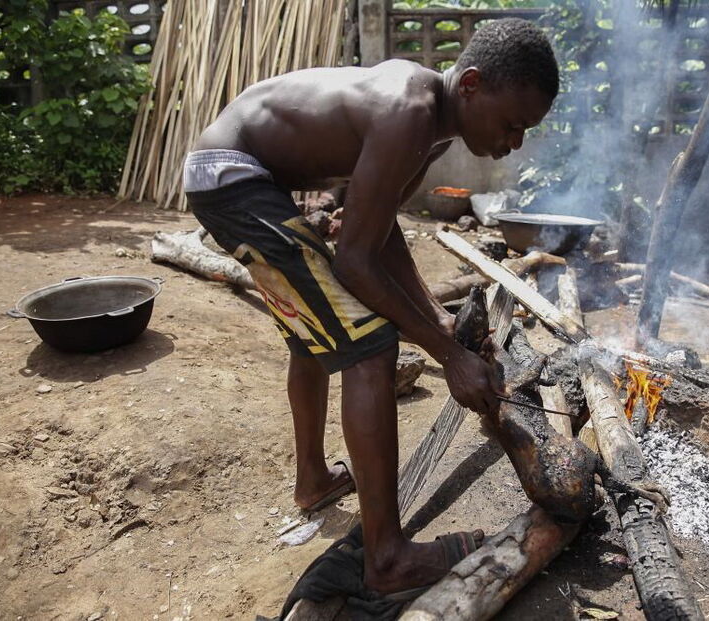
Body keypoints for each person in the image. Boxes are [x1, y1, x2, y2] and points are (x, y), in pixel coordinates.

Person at [183, 17, 559, 597]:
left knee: (317, 329)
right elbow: (355, 262)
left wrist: (436, 318)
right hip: (231, 176)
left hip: (239, 176)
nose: (514, 143)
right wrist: (447, 354)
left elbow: (380, 233)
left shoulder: (432, 127)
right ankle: (387, 558)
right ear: (471, 84)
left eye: (524, 131)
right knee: (370, 345)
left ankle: (314, 480)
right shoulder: (409, 112)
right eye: (512, 125)